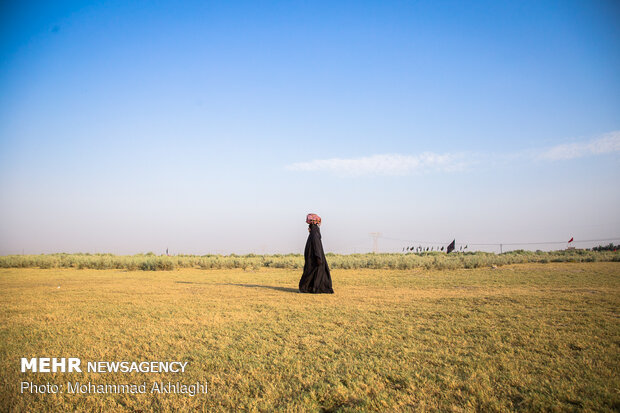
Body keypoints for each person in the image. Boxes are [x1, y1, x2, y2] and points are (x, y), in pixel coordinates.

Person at [299, 213, 334, 294]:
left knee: (312, 271)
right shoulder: (315, 230)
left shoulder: (313, 230)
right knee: (315, 271)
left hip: (312, 255)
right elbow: (316, 243)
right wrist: (318, 256)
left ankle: (309, 288)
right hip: (315, 255)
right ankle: (308, 288)